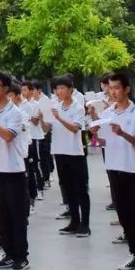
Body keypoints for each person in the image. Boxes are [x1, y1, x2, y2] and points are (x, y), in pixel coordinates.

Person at [93, 72, 135, 270]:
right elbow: (104, 142)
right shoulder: (107, 113)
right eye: (110, 88)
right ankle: (133, 252)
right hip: (114, 167)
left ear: (126, 89)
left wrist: (123, 133)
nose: (113, 92)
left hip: (133, 169)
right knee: (124, 214)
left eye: (117, 87)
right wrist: (96, 136)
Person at [0, 72, 29, 270]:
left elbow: (8, 136)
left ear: (7, 89)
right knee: (2, 214)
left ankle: (21, 257)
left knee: (16, 215)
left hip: (13, 169)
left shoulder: (14, 113)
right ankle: (9, 253)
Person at [45, 75, 90, 237]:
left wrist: (59, 117)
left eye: (63, 88)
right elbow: (46, 129)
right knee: (67, 188)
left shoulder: (77, 107)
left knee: (80, 189)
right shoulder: (56, 105)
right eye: (57, 88)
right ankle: (74, 221)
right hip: (59, 151)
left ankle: (85, 224)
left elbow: (75, 128)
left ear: (70, 89)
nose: (59, 91)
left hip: (74, 152)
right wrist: (44, 119)